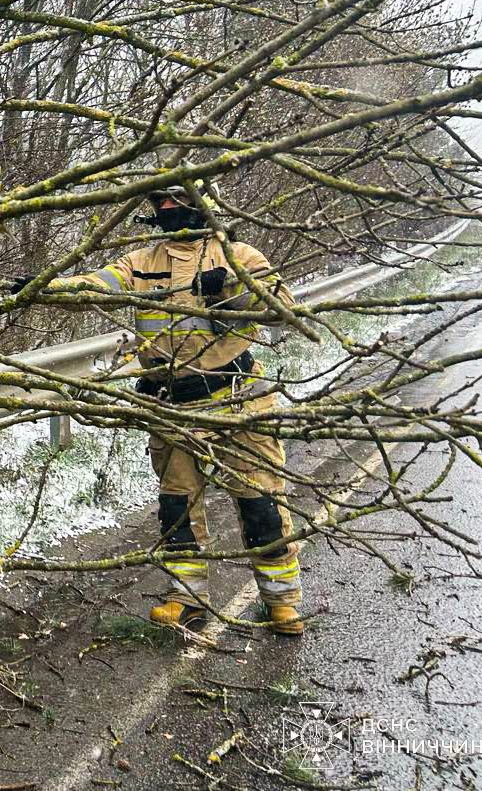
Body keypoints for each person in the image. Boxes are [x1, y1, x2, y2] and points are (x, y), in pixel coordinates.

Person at [50, 182, 304, 635]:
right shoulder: (142, 262)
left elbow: (281, 306)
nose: (166, 207)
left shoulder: (239, 255)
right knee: (178, 509)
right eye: (160, 201)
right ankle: (186, 599)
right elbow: (97, 285)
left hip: (238, 401)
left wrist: (230, 286)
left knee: (260, 506)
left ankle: (282, 601)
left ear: (202, 204)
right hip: (172, 406)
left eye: (176, 199)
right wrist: (43, 287)